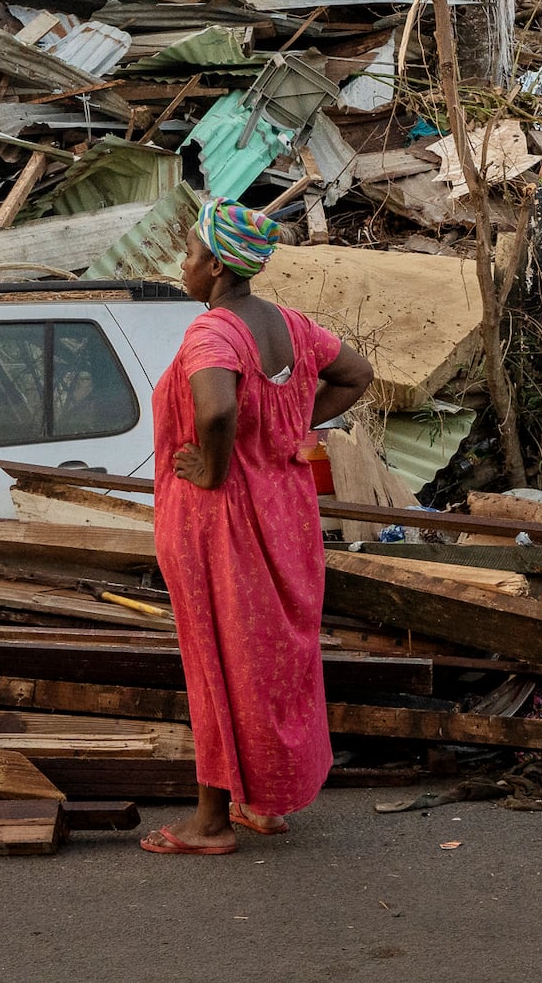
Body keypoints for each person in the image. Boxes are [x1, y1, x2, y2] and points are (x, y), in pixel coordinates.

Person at [140, 199, 374, 856]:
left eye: (189, 253)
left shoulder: (212, 332)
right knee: (271, 660)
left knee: (215, 660)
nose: (182, 264)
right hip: (286, 514)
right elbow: (356, 374)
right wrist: (289, 428)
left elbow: (214, 409)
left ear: (216, 266)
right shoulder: (291, 327)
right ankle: (262, 803)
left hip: (222, 521)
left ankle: (211, 822)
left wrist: (214, 469)